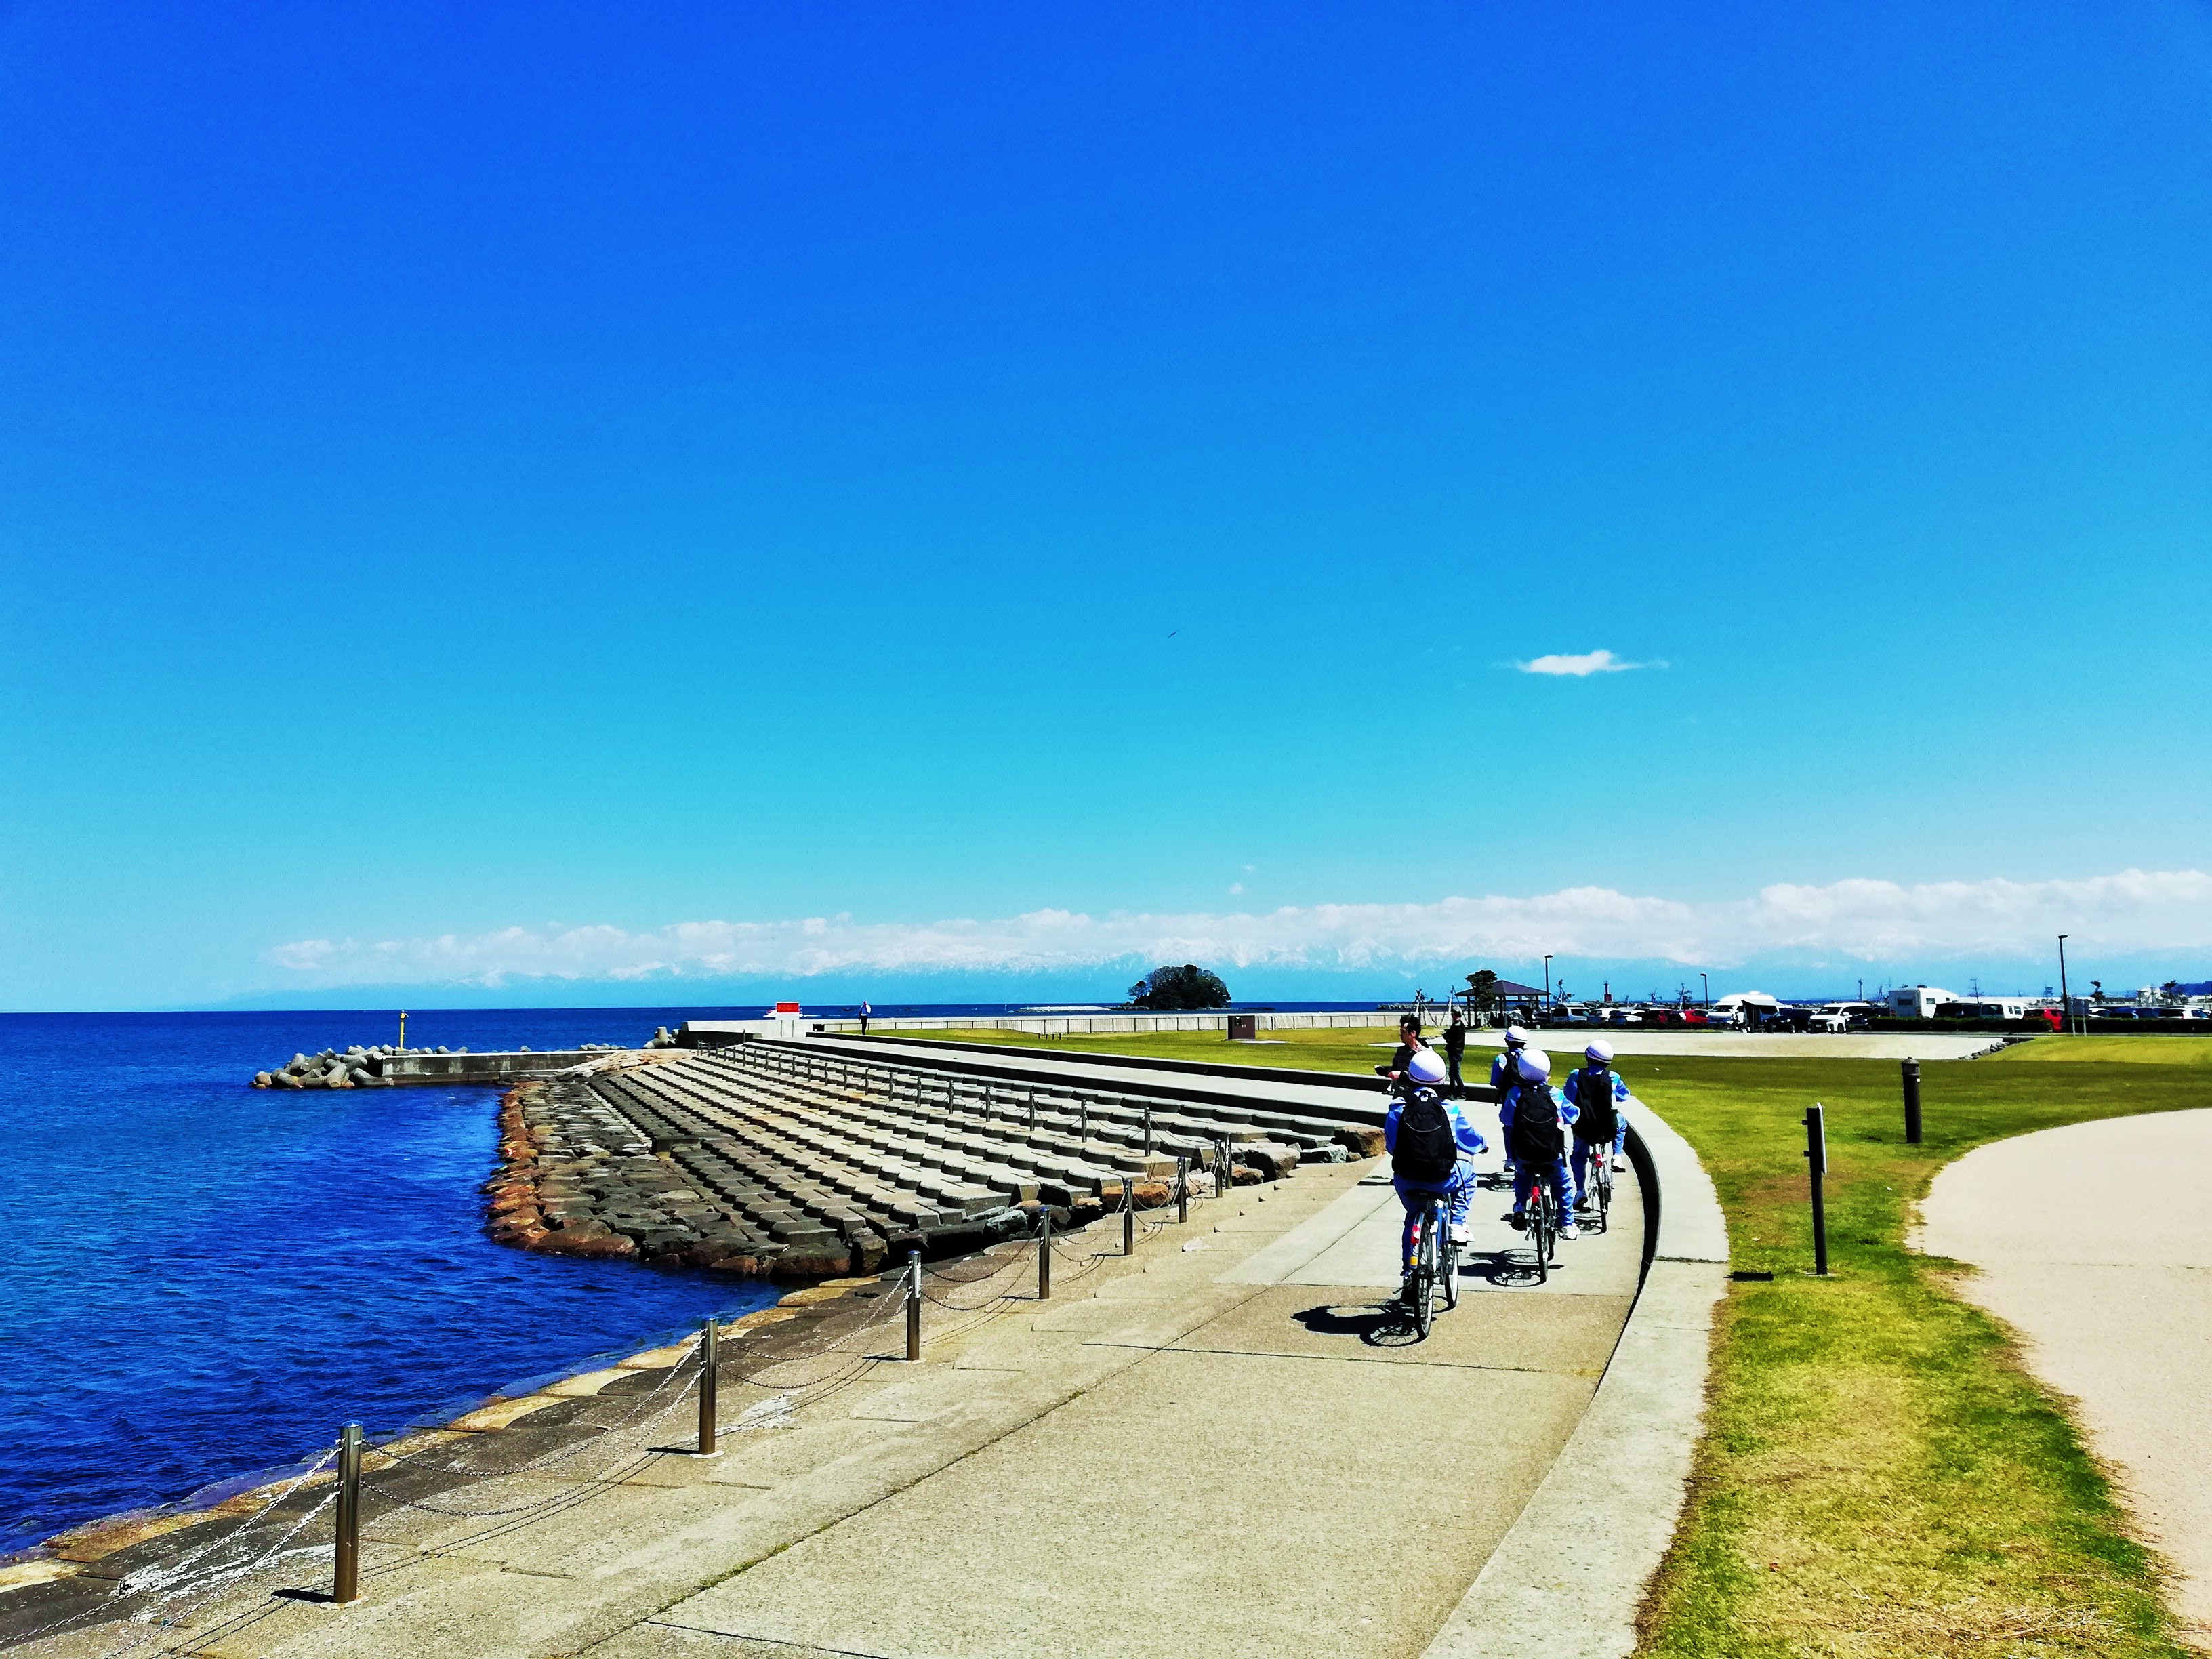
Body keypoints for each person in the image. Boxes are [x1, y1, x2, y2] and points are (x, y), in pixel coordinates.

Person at [1383, 1048, 1488, 1297]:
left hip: (1407, 1180)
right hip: (1442, 1179)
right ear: (1441, 1079)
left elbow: (1391, 1146)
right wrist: (1482, 1145)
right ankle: (1458, 1224)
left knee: (1413, 1217)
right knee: (1468, 1173)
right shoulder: (1450, 1109)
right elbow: (1469, 1140)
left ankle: (1410, 1275)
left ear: (1411, 1076)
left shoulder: (1397, 1108)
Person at [1499, 1048, 1580, 1240]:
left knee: (1521, 1177)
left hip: (1524, 1153)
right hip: (1552, 1154)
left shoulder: (1515, 1093)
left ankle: (1520, 1206)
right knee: (1563, 1186)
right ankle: (1568, 1224)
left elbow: (1506, 1119)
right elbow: (1573, 1116)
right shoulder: (1556, 1095)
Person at [1565, 1039, 1633, 1209]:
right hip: (1607, 1126)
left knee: (1579, 1156)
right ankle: (1617, 1156)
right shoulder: (1613, 1077)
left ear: (1588, 1057)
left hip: (1583, 1127)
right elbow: (1624, 1096)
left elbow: (1569, 1099)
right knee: (1622, 1123)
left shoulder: (1576, 1075)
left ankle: (1580, 1191)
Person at [1488, 1025, 1532, 1183]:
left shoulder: (1501, 1059)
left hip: (1509, 1099)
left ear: (1507, 1041)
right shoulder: (1530, 1058)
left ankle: (1510, 1160)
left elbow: (1495, 1082)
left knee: (1509, 1128)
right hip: (1530, 1099)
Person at [1442, 1012, 1468, 1097]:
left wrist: (1446, 1035)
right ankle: (1451, 1091)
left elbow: (1447, 1036)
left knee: (1455, 1073)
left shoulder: (1455, 1026)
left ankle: (1462, 1092)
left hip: (1454, 1052)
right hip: (1458, 1051)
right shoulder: (1461, 1025)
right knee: (1452, 1073)